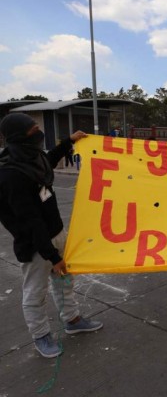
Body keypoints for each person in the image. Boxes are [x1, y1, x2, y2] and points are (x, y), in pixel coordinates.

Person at [0, 113, 103, 358]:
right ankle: (41, 336)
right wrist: (51, 255)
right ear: (18, 135)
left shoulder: (32, 158)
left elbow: (49, 159)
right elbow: (29, 221)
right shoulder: (10, 174)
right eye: (33, 129)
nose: (38, 131)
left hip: (56, 234)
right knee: (36, 292)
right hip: (35, 244)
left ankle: (72, 320)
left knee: (65, 281)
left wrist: (69, 141)